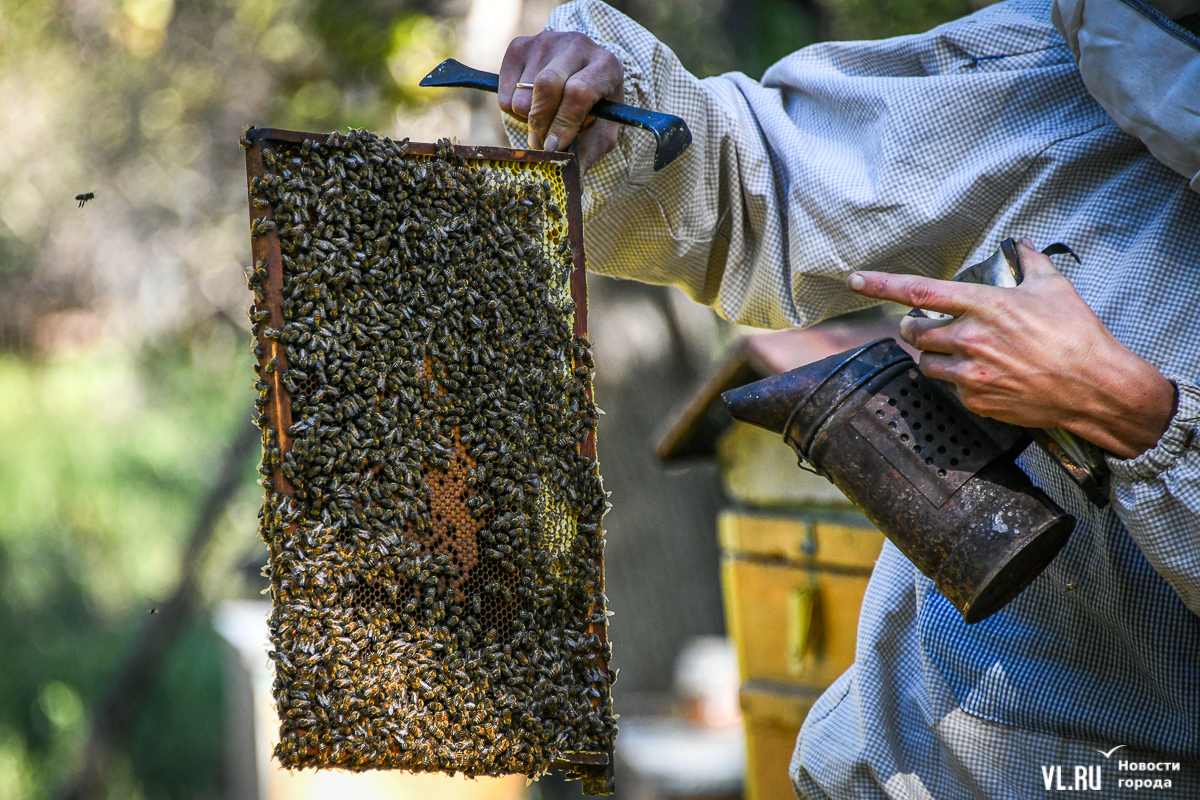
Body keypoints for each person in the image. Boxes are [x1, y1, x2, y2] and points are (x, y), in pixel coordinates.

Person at [496, 0, 1200, 797]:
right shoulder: (1065, 59)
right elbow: (764, 175)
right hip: (908, 768)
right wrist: (610, 104)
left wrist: (1138, 416)